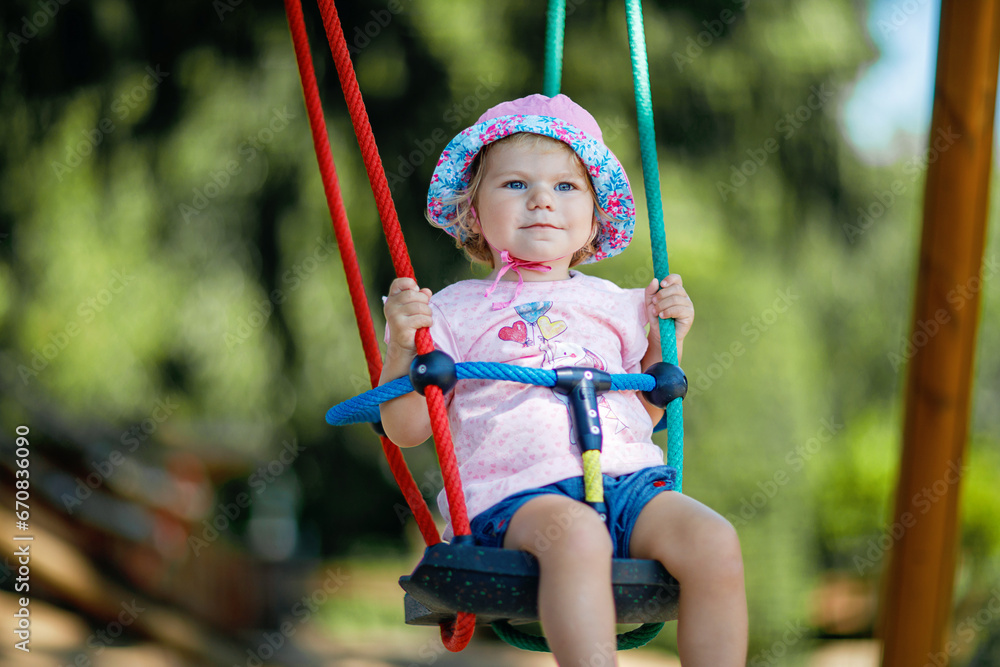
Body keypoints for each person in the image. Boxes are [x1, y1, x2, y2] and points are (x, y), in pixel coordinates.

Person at [379, 94, 747, 666]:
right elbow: (406, 429)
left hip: (628, 486)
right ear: (473, 212)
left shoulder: (622, 305)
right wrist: (403, 348)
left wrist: (663, 344)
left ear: (595, 217)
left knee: (714, 540)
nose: (542, 200)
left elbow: (641, 414)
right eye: (515, 184)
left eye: (566, 186)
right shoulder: (449, 310)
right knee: (577, 537)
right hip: (517, 497)